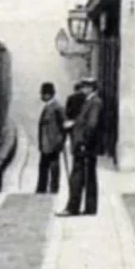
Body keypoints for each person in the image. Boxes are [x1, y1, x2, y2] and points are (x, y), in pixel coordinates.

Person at [58, 77, 101, 217]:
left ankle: (73, 208)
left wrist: (83, 142)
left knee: (77, 177)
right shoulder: (90, 101)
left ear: (91, 88)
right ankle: (89, 208)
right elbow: (83, 121)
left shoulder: (94, 102)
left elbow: (92, 125)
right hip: (86, 145)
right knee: (87, 177)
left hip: (84, 146)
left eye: (85, 86)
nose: (83, 89)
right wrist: (73, 124)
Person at [36, 82, 66, 194]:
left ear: (48, 94)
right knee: (43, 167)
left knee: (53, 168)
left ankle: (53, 188)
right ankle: (42, 189)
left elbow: (63, 125)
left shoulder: (57, 107)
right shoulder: (49, 106)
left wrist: (60, 141)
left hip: (52, 143)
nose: (41, 96)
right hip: (46, 144)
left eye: (43, 94)